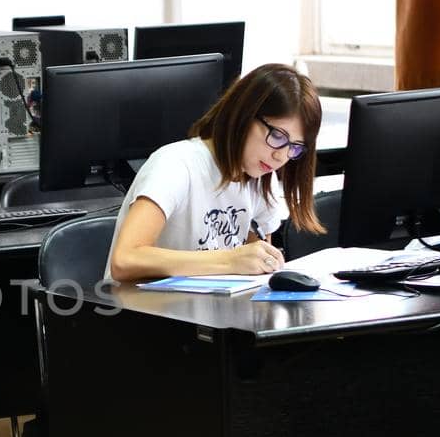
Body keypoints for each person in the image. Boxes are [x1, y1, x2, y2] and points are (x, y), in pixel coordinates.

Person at [106, 63, 324, 283]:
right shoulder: (176, 165)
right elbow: (125, 260)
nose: (281, 157)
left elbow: (256, 270)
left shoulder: (259, 177)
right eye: (277, 136)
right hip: (141, 312)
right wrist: (229, 261)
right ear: (244, 114)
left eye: (295, 147)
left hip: (207, 312)